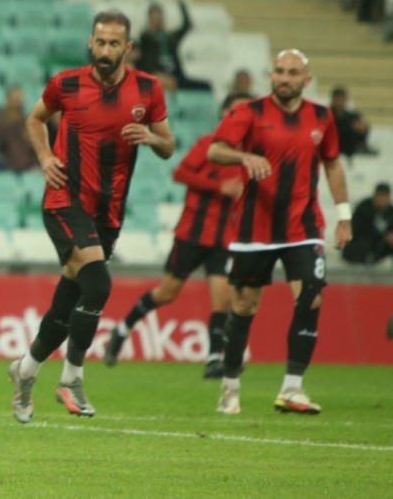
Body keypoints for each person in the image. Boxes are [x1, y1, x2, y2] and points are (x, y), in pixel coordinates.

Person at [9, 11, 173, 422]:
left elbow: (169, 146)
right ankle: (71, 380)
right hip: (64, 199)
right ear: (90, 42)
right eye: (99, 42)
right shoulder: (65, 84)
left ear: (127, 48)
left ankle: (25, 369)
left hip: (109, 210)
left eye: (114, 44)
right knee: (97, 284)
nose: (105, 50)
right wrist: (45, 156)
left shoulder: (148, 90)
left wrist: (151, 138)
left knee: (70, 301)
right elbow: (34, 119)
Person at [207, 49, 351, 415]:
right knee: (244, 305)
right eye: (279, 71)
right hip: (255, 227)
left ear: (307, 78)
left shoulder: (322, 117)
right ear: (270, 76)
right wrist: (244, 157)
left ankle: (292, 388)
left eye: (292, 72)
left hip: (304, 226)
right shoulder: (250, 112)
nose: (284, 78)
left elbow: (332, 164)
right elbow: (215, 150)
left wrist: (344, 216)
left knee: (312, 298)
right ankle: (230, 386)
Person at [104, 92, 253, 378]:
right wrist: (216, 186)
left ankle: (213, 359)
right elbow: (181, 173)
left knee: (222, 299)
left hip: (224, 238)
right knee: (167, 293)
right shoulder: (208, 144)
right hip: (192, 233)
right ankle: (122, 330)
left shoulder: (249, 154)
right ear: (224, 114)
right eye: (234, 111)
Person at [136, 0, 208, 92]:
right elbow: (143, 63)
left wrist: (181, 3)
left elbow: (187, 25)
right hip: (157, 76)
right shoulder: (145, 39)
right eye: (155, 18)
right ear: (149, 20)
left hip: (177, 77)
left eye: (160, 18)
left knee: (206, 87)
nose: (158, 21)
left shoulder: (171, 38)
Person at [343, 184, 393, 265]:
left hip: (379, 246)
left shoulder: (390, 212)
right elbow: (359, 230)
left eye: (385, 196)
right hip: (358, 245)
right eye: (380, 196)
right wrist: (384, 236)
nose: (382, 199)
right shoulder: (364, 207)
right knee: (364, 244)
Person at [0, 87, 36, 173]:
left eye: (19, 99)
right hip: (6, 163)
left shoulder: (27, 120)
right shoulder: (0, 120)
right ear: (8, 100)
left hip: (29, 163)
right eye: (15, 99)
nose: (18, 102)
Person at [329, 87, 374, 158]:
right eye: (338, 99)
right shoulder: (326, 115)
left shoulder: (352, 116)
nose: (340, 102)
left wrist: (362, 127)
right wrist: (351, 127)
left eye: (342, 99)